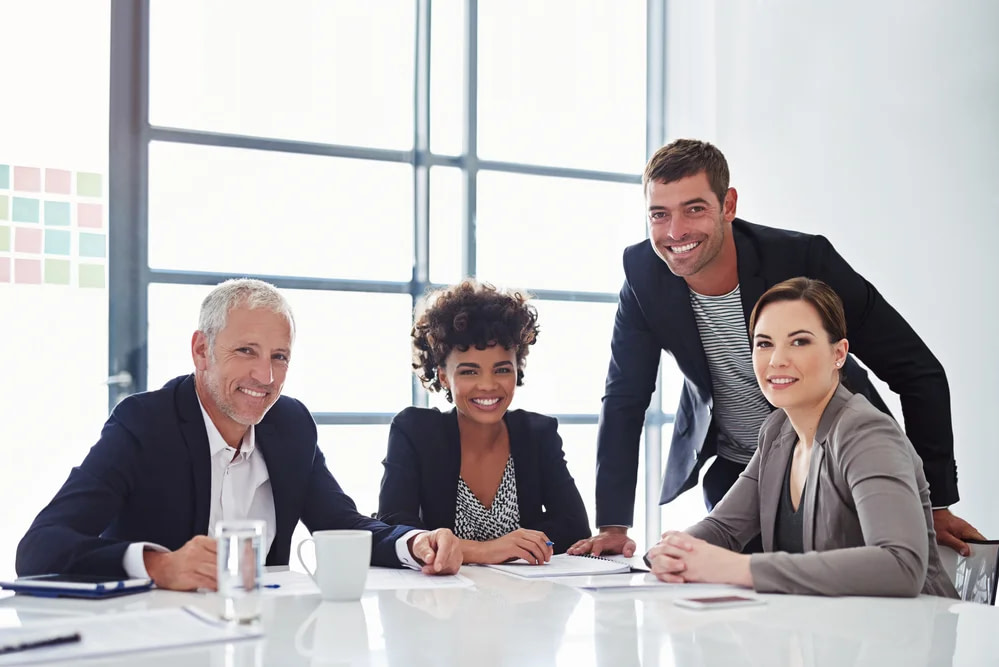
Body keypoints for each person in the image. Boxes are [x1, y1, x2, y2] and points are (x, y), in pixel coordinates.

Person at [569, 138, 982, 559]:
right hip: (740, 475)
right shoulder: (643, 276)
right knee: (732, 593)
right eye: (660, 214)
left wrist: (935, 502)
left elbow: (916, 369)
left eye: (694, 209)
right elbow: (624, 398)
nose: (675, 232)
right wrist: (613, 526)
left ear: (728, 205)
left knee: (849, 586)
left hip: (834, 466)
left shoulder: (802, 260)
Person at [16, 279, 462, 589]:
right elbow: (40, 547)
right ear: (201, 350)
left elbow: (342, 525)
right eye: (246, 351)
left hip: (262, 636)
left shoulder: (290, 425)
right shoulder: (145, 423)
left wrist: (415, 544)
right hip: (159, 639)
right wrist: (160, 565)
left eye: (279, 357)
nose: (265, 376)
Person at [644, 278, 958, 597]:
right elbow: (723, 527)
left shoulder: (866, 432)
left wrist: (740, 568)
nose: (777, 360)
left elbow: (901, 566)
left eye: (799, 342)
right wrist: (675, 551)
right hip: (825, 625)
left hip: (914, 625)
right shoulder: (777, 431)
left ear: (839, 354)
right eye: (764, 343)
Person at [377, 280, 590, 565]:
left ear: (517, 370)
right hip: (441, 591)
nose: (488, 385)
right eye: (469, 372)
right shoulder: (415, 431)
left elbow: (574, 531)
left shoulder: (538, 433)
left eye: (502, 370)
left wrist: (534, 546)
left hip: (527, 591)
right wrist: (486, 551)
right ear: (443, 377)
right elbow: (394, 530)